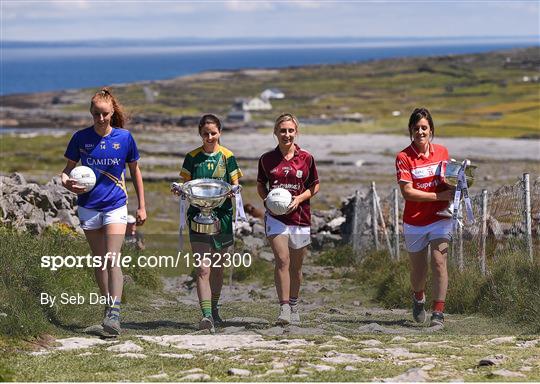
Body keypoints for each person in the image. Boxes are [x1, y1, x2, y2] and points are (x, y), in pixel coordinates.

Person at [61, 88, 146, 335]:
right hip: (88, 207)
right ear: (91, 112)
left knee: (112, 258)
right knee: (99, 261)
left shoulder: (125, 138)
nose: (100, 119)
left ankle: (116, 312)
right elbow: (66, 170)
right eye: (96, 114)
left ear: (112, 113)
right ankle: (108, 308)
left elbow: (135, 171)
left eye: (105, 114)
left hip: (115, 205)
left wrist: (142, 205)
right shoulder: (80, 138)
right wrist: (66, 182)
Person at [175, 114, 243, 332]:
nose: (210, 137)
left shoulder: (228, 156)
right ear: (200, 134)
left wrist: (235, 192)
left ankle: (214, 309)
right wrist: (178, 188)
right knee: (203, 269)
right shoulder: (191, 157)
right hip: (197, 218)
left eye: (214, 133)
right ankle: (206, 316)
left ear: (220, 133)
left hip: (222, 218)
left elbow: (236, 184)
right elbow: (185, 185)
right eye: (206, 134)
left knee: (217, 268)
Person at [257, 113, 319, 325]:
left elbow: (315, 186)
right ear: (275, 132)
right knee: (282, 260)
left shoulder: (307, 158)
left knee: (296, 267)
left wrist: (300, 198)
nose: (286, 134)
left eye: (290, 130)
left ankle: (293, 304)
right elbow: (260, 184)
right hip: (276, 218)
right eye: (282, 130)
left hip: (300, 218)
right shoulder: (266, 159)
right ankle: (283, 308)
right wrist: (267, 200)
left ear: (296, 132)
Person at [395, 107, 454, 327]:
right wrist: (438, 195)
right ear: (411, 130)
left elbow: (448, 181)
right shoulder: (403, 157)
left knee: (439, 262)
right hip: (415, 222)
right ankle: (418, 297)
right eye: (416, 128)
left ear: (431, 130)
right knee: (418, 271)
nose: (420, 131)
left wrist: (457, 186)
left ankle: (438, 313)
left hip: (441, 217)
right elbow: (407, 192)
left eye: (424, 128)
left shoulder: (442, 152)